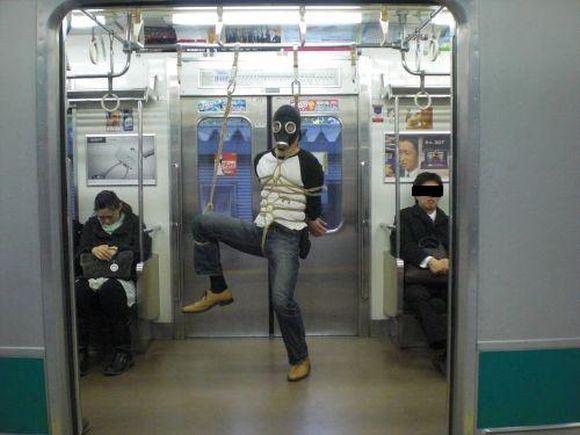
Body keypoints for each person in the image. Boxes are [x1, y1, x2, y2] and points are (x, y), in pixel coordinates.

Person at [182, 105, 327, 382]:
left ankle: (300, 358)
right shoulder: (261, 160)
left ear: (298, 132)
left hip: (287, 237)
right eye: (278, 127)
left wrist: (309, 221)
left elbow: (313, 208)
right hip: (259, 231)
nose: (283, 134)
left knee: (282, 301)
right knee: (202, 223)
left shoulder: (310, 164)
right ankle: (218, 289)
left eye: (288, 128)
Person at [75, 190, 151, 376]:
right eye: (102, 218)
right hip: (93, 276)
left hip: (120, 278)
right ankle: (81, 351)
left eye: (110, 216)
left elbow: (142, 251)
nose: (106, 221)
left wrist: (119, 249)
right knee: (79, 292)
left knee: (111, 291)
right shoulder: (91, 225)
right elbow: (79, 253)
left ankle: (122, 352)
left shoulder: (133, 223)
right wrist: (92, 249)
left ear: (119, 208)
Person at [391, 172, 449, 373]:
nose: (430, 196)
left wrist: (448, 261)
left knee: (458, 297)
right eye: (425, 191)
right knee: (418, 297)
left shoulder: (446, 219)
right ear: (416, 194)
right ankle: (441, 347)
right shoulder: (405, 216)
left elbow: (456, 245)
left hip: (444, 277)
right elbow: (402, 246)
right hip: (417, 278)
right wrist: (429, 261)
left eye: (435, 192)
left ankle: (451, 350)